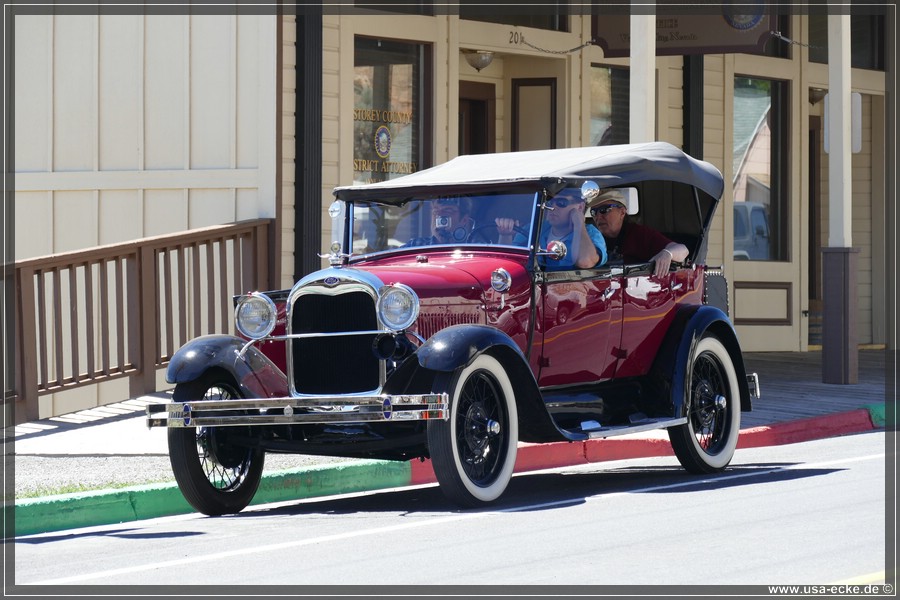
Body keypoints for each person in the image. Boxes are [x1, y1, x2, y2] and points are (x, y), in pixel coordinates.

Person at [589, 189, 689, 277]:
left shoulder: (639, 234)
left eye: (603, 210)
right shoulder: (591, 238)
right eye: (593, 212)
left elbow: (683, 250)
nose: (598, 216)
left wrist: (667, 253)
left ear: (622, 212)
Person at [496, 190, 606, 270]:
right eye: (550, 203)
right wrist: (505, 235)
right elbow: (508, 265)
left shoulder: (591, 234)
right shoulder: (533, 228)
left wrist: (579, 224)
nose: (553, 208)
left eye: (561, 203)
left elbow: (585, 262)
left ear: (580, 207)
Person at [404, 196, 475, 246]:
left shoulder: (472, 248)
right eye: (435, 211)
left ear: (464, 220)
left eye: (448, 211)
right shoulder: (415, 246)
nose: (439, 215)